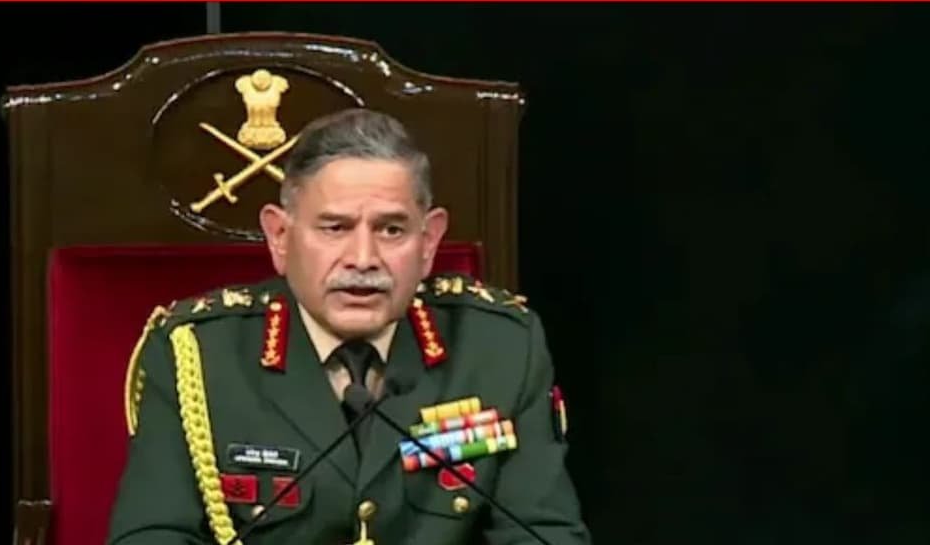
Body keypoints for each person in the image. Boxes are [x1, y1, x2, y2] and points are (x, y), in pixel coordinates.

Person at [106, 108, 591, 545]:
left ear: (428, 242)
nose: (363, 259)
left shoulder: (501, 348)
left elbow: (544, 532)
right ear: (280, 237)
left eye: (391, 230)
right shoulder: (197, 354)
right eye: (335, 228)